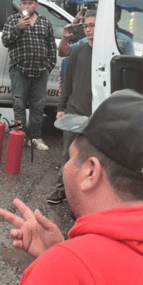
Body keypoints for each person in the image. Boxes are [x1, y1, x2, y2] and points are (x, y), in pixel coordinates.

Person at [0, 89, 143, 285]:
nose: (64, 167)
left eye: (70, 157)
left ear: (90, 172)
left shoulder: (67, 275)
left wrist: (69, 264)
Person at [47, 11, 97, 204]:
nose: (88, 29)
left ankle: (85, 195)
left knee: (93, 156)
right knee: (68, 152)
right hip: (76, 109)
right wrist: (62, 107)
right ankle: (61, 190)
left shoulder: (107, 52)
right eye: (86, 26)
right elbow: (67, 82)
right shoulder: (78, 51)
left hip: (97, 111)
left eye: (92, 25)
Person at [1, 0, 56, 151]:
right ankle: (20, 136)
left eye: (30, 3)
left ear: (36, 5)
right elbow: (5, 41)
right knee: (19, 104)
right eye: (24, 3)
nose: (26, 6)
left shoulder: (45, 22)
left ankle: (36, 137)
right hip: (19, 69)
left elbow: (51, 46)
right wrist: (18, 28)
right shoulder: (13, 20)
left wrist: (48, 66)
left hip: (40, 71)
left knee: (38, 106)